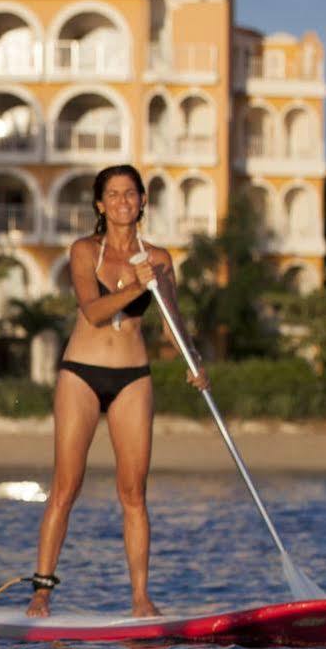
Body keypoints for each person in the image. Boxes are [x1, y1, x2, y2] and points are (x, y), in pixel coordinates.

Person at [25, 164, 205, 618]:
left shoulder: (160, 259)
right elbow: (93, 311)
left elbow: (171, 321)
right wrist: (133, 287)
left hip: (133, 377)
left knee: (134, 492)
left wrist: (193, 359)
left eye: (131, 193)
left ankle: (141, 598)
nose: (123, 201)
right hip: (81, 374)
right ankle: (42, 593)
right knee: (66, 486)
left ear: (143, 201)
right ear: (100, 205)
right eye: (114, 194)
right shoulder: (84, 250)